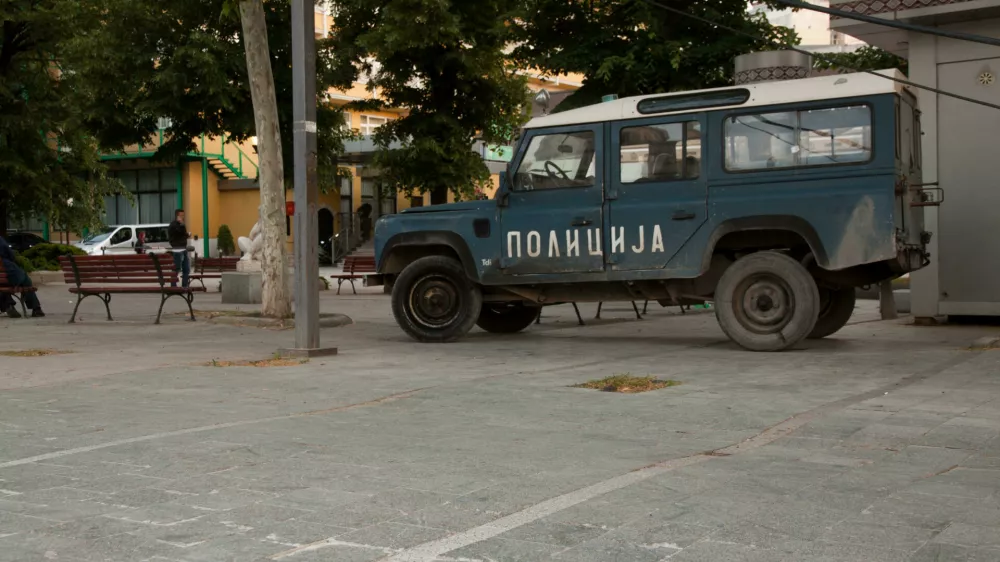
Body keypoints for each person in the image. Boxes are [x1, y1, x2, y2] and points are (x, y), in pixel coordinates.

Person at [0, 235, 44, 318]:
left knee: (3, 285)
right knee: (27, 281)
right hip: (9, 272)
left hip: (3, 280)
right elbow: (11, 255)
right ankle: (36, 308)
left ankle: (8, 305)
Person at [167, 209, 191, 288]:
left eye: (183, 215)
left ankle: (185, 285)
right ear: (177, 215)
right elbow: (178, 233)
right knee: (176, 268)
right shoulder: (173, 225)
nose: (183, 217)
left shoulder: (180, 225)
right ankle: (173, 286)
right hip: (177, 250)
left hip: (183, 249)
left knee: (186, 269)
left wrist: (186, 235)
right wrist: (182, 226)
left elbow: (182, 234)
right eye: (181, 215)